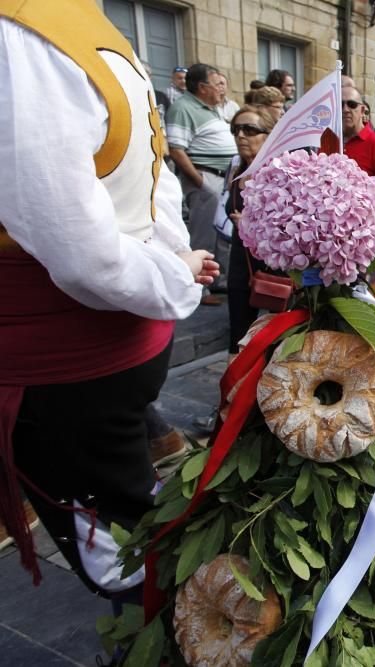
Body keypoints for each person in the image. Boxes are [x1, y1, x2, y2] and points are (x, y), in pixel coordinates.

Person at [0, 0, 217, 615]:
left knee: (127, 550)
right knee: (122, 552)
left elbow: (143, 171)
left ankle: (182, 629)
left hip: (99, 362)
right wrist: (174, 276)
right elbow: (76, 247)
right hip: (71, 363)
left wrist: (174, 255)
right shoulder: (21, 32)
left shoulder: (67, 22)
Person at [165, 62, 238, 306]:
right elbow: (176, 149)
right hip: (206, 179)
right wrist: (200, 182)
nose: (222, 89)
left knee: (218, 234)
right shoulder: (183, 108)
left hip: (219, 179)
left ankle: (215, 282)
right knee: (203, 235)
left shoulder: (210, 108)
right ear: (201, 86)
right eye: (217, 84)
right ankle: (200, 291)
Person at [220, 105, 277, 355]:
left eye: (250, 129)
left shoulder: (278, 172)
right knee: (238, 332)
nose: (241, 135)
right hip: (240, 263)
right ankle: (237, 389)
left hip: (273, 265)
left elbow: (291, 222)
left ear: (267, 135)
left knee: (277, 334)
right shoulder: (235, 168)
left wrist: (252, 222)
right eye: (236, 129)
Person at [342, 86, 375, 184]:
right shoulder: (329, 140)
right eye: (341, 104)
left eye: (352, 104)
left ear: (362, 110)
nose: (345, 109)